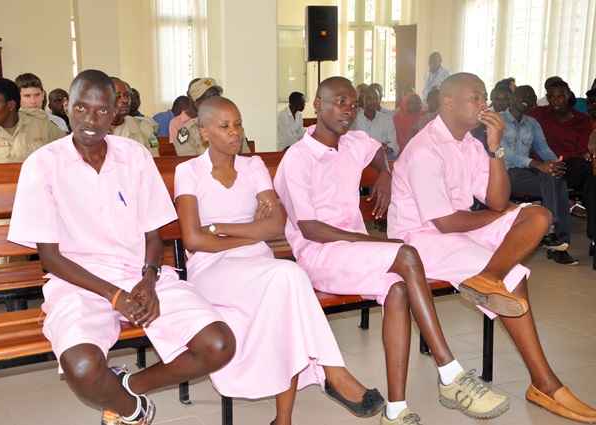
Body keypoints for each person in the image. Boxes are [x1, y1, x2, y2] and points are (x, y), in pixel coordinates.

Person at [274, 76, 511, 425]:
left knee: (398, 289)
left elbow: (377, 152)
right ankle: (449, 371)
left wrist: (384, 174)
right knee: (406, 253)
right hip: (319, 256)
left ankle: (396, 410)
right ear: (318, 104)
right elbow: (310, 229)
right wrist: (376, 242)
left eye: (353, 104)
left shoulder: (354, 142)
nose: (349, 110)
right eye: (340, 102)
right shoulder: (297, 159)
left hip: (355, 255)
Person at [7, 69, 236, 425]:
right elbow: (50, 257)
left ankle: (126, 386)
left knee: (219, 344)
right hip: (79, 282)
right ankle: (134, 410)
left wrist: (149, 279)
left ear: (115, 112)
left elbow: (153, 236)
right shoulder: (43, 165)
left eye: (102, 110)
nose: (90, 120)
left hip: (139, 275)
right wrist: (115, 296)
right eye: (81, 108)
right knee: (81, 366)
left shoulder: (135, 156)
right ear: (66, 107)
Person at [388, 72, 596, 424]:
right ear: (449, 102)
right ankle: (545, 384)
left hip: (460, 230)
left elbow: (497, 200)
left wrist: (495, 147)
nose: (484, 103)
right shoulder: (425, 148)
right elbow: (445, 222)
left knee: (538, 216)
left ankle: (489, 278)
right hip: (422, 240)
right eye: (476, 96)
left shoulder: (470, 143)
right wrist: (498, 215)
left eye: (484, 96)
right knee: (515, 279)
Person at [174, 95, 384, 425]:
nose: (235, 132)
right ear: (204, 132)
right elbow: (193, 240)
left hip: (257, 262)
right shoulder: (188, 172)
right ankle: (333, 372)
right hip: (211, 267)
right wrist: (250, 230)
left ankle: (284, 419)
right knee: (288, 277)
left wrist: (218, 228)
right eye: (224, 126)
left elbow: (274, 226)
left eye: (238, 124)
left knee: (286, 292)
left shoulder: (254, 166)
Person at [499, 85, 576, 265]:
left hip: (525, 171)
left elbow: (543, 149)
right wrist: (536, 164)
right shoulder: (499, 119)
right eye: (522, 95)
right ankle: (554, 235)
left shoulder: (532, 123)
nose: (526, 98)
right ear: (513, 97)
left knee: (555, 178)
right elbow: (504, 151)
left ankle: (555, 238)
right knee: (558, 184)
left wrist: (554, 164)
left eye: (530, 96)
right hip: (504, 173)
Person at [527, 79, 595, 244]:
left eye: (560, 97)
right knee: (590, 177)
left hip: (573, 166)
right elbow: (516, 112)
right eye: (551, 97)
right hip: (545, 167)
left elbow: (581, 148)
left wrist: (586, 154)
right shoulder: (538, 114)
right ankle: (560, 237)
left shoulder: (581, 119)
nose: (555, 102)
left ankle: (594, 238)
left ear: (568, 95)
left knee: (592, 180)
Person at [174, 77, 250, 156]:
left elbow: (246, 157)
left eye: (216, 96)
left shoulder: (234, 127)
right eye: (208, 97)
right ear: (197, 105)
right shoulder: (188, 131)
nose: (215, 101)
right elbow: (191, 162)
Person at [109, 77, 159, 156]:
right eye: (118, 96)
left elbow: (155, 156)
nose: (125, 100)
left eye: (127, 95)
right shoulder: (94, 130)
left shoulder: (145, 127)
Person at [351, 85, 399, 159]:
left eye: (376, 98)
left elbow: (394, 144)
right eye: (369, 98)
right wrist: (378, 146)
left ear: (379, 100)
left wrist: (388, 149)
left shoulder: (387, 119)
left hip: (384, 158)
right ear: (363, 100)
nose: (373, 102)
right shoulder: (356, 120)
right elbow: (356, 144)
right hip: (363, 159)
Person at [169, 79, 201, 144]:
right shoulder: (176, 122)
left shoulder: (212, 120)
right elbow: (178, 148)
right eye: (198, 92)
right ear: (189, 94)